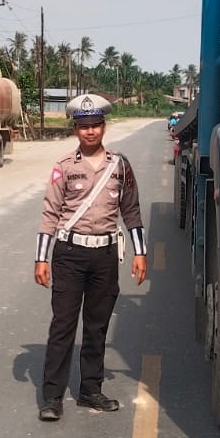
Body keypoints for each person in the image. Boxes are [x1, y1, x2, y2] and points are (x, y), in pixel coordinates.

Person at [33, 94, 147, 421]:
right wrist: (41, 258)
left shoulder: (119, 166)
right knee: (63, 326)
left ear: (104, 127)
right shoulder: (64, 167)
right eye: (84, 126)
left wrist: (140, 252)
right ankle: (52, 397)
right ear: (75, 130)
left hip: (105, 255)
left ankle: (91, 391)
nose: (90, 131)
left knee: (97, 326)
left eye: (96, 125)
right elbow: (50, 213)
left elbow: (131, 211)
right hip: (69, 254)